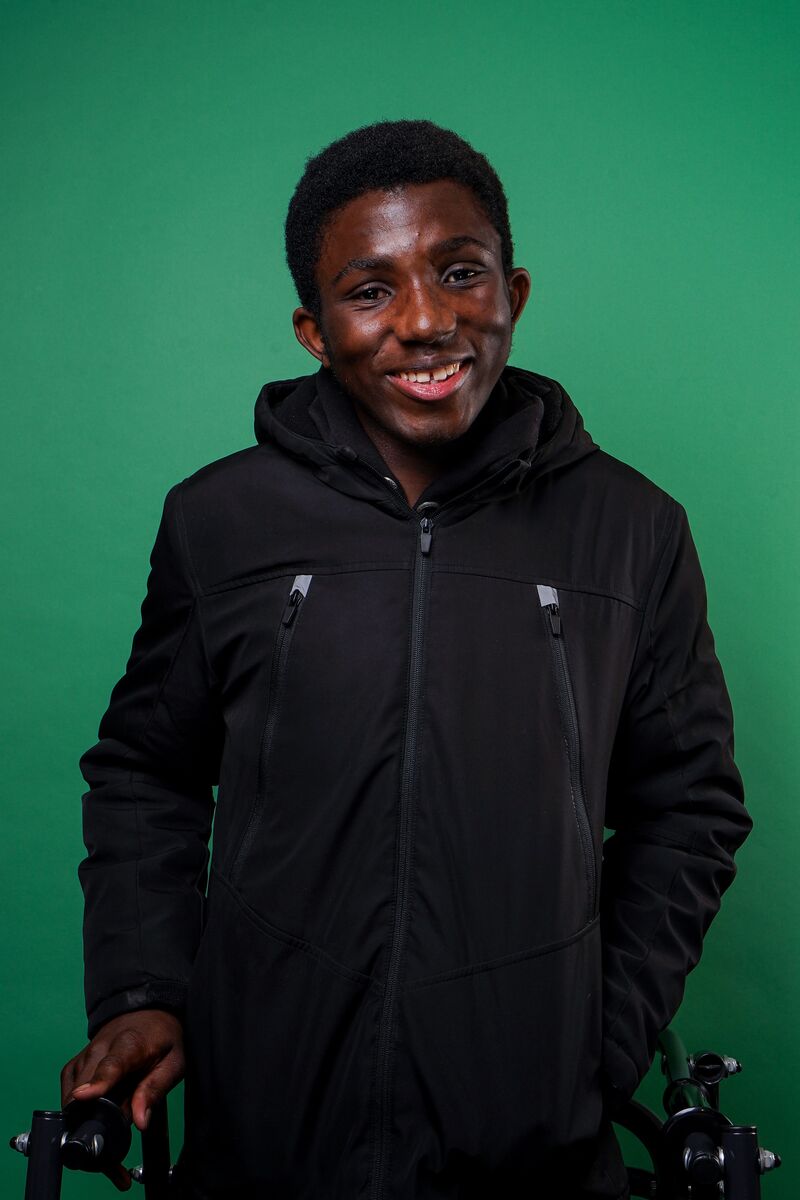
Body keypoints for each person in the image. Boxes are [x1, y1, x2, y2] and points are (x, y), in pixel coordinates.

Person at [60, 121, 751, 1199]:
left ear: (513, 290)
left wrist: (599, 1039)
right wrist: (145, 989)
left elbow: (688, 805)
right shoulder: (218, 521)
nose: (426, 321)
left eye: (459, 273)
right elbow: (145, 771)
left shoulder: (632, 529)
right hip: (264, 1134)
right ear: (312, 328)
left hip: (535, 1148)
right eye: (369, 290)